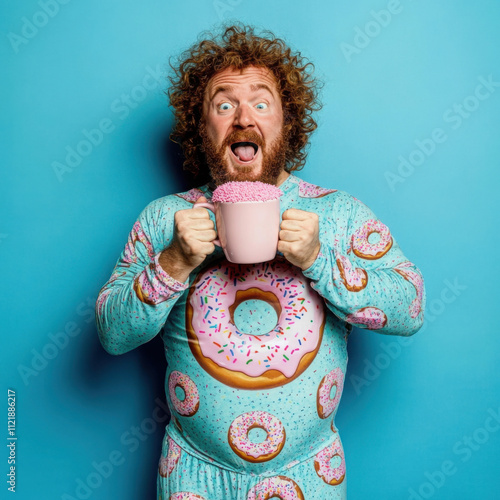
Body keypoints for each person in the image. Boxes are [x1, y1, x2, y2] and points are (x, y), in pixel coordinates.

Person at [95, 23, 425, 500]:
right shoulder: (166, 218)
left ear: (286, 122)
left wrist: (318, 259)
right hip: (193, 473)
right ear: (200, 126)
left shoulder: (337, 213)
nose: (243, 118)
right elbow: (112, 334)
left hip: (310, 473)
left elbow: (410, 309)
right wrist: (173, 261)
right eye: (224, 104)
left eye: (261, 103)